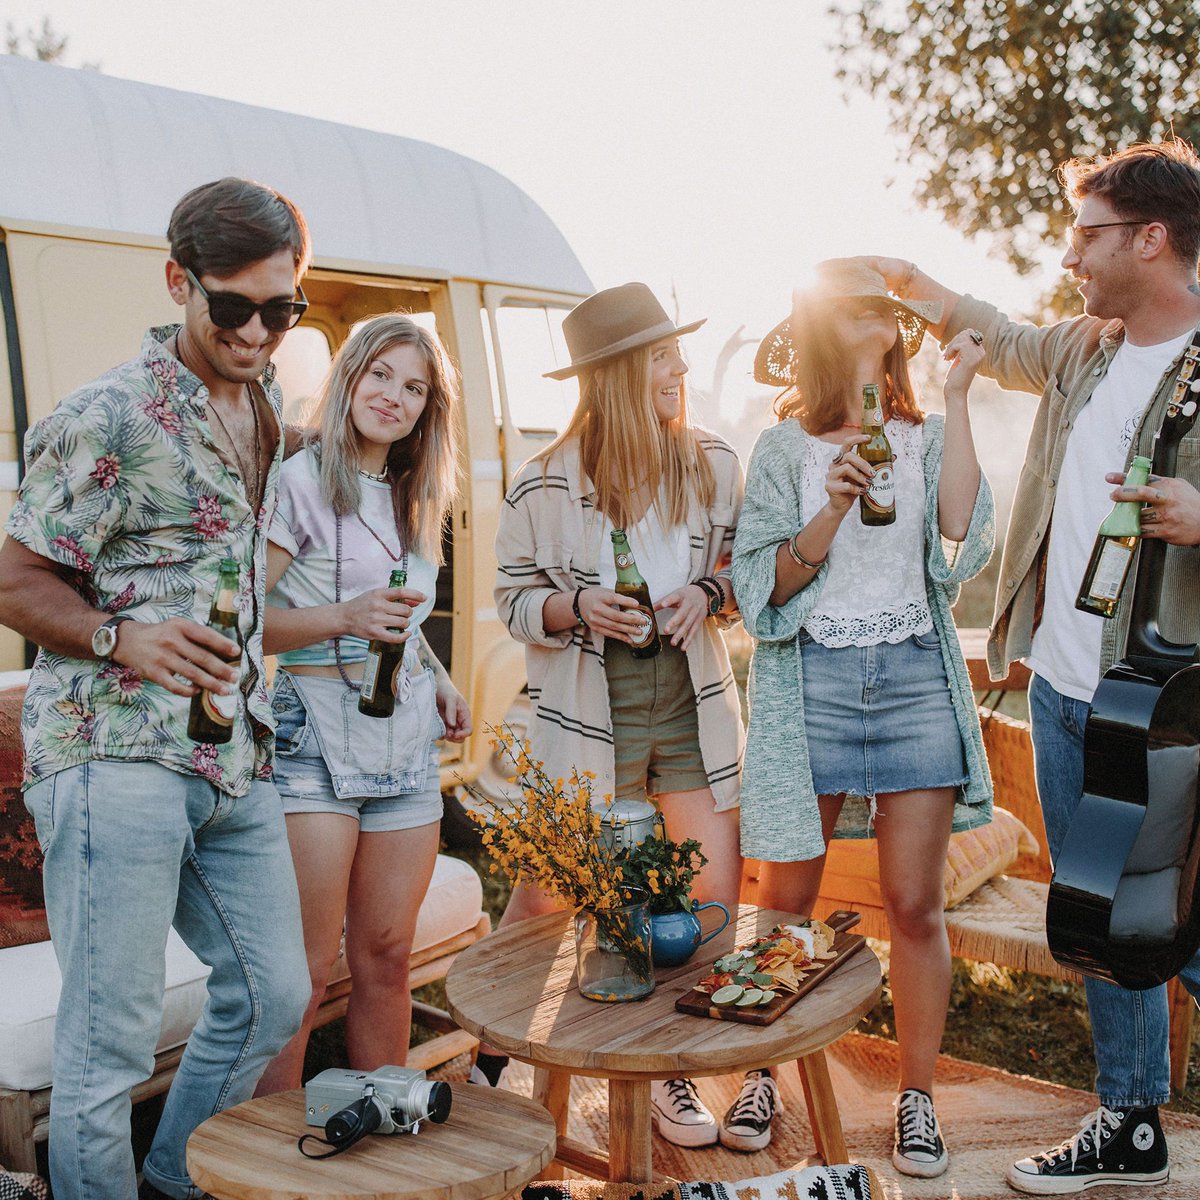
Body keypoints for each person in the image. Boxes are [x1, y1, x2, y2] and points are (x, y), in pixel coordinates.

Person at [863, 138, 1200, 1194]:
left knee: (1175, 917)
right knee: (1104, 916)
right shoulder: (1091, 350)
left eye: (1088, 236)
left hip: (1163, 706)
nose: (1070, 257)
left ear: (1151, 239)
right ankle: (1131, 1123)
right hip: (1063, 689)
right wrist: (910, 284)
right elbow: (998, 337)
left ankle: (1134, 1117)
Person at [0, 177, 313, 1200]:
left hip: (232, 752)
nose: (258, 330)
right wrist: (116, 635)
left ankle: (172, 1184)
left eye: (283, 308)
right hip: (113, 752)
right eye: (234, 306)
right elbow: (13, 576)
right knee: (110, 1045)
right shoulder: (104, 415)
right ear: (179, 281)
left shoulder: (262, 408)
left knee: (273, 997)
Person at [732, 259, 995, 1178]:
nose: (876, 320)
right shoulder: (782, 453)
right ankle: (761, 1068)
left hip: (917, 672)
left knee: (915, 904)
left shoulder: (921, 439)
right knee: (787, 901)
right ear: (818, 328)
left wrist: (959, 397)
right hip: (817, 684)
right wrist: (833, 507)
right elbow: (760, 587)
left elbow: (959, 530)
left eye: (884, 311)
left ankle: (915, 1100)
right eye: (853, 308)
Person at [489, 282, 755, 1150]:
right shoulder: (542, 483)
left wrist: (707, 594)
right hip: (587, 708)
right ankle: (492, 1064)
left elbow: (742, 574)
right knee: (549, 896)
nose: (679, 369)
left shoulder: (713, 462)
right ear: (614, 375)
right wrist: (576, 608)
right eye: (662, 357)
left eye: (675, 354)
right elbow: (511, 599)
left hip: (687, 703)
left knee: (704, 899)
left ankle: (667, 1075)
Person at [253, 314, 470, 1093]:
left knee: (386, 953)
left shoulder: (417, 495)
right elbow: (245, 622)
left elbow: (399, 613)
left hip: (403, 738)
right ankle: (271, 1166)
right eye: (380, 374)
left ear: (427, 410)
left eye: (414, 388)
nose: (394, 397)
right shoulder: (302, 482)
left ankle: (385, 1133)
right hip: (313, 735)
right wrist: (343, 618)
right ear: (349, 376)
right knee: (305, 970)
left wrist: (436, 673)